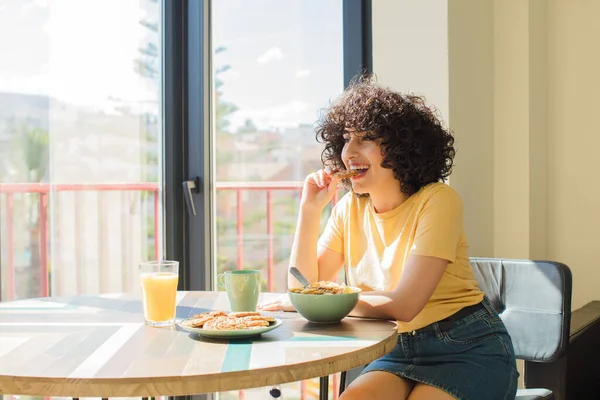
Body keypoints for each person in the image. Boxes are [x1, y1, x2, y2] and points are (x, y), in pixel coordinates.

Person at [259, 76, 519, 400]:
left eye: (365, 140)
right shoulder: (348, 209)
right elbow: (302, 290)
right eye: (346, 139)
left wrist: (323, 304)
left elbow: (405, 304)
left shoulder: (438, 200)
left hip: (466, 347)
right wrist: (309, 211)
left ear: (402, 149)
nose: (348, 152)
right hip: (395, 349)